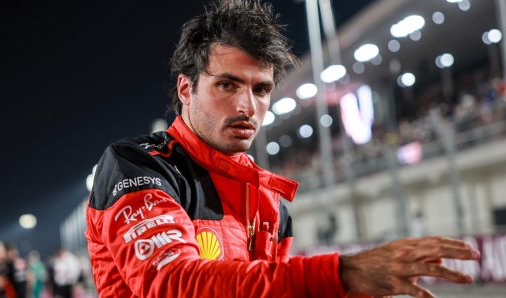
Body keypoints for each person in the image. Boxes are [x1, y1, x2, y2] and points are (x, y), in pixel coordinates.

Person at [85, 1, 480, 297]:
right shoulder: (136, 165)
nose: (247, 106)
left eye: (261, 89)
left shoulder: (268, 199)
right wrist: (343, 275)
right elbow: (174, 283)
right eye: (227, 85)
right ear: (186, 89)